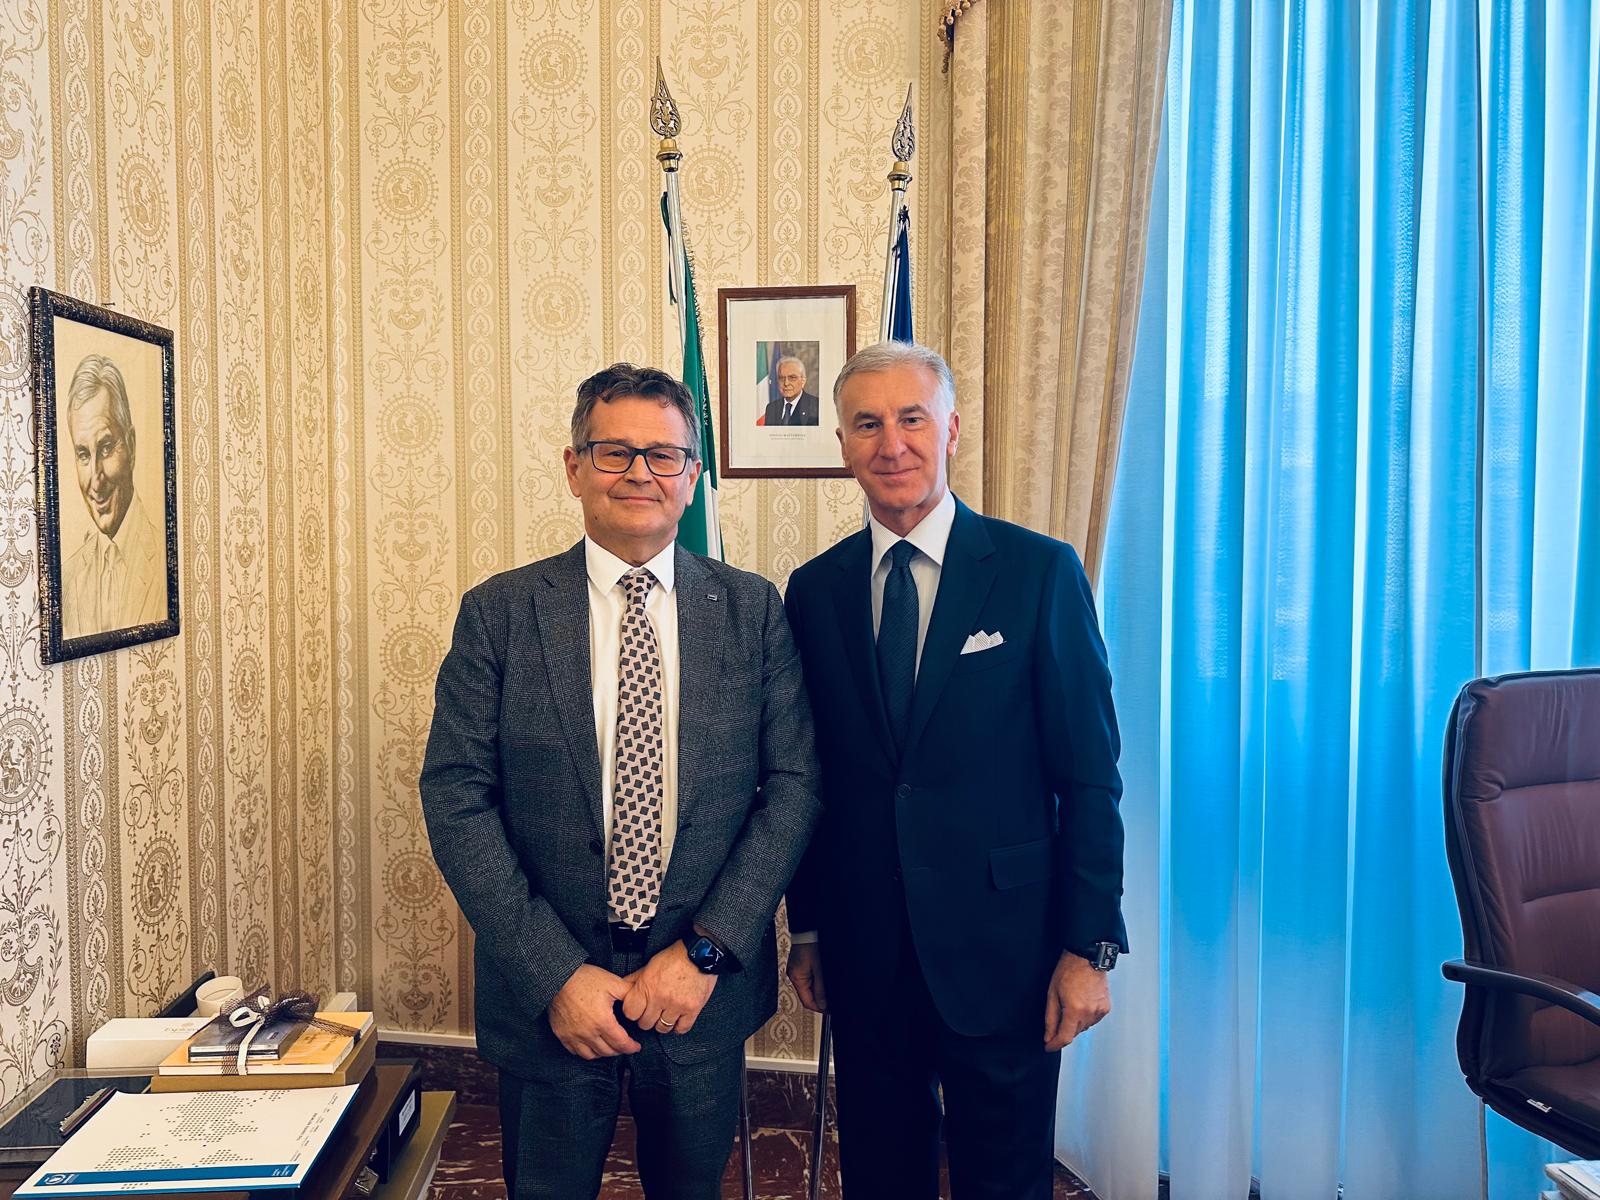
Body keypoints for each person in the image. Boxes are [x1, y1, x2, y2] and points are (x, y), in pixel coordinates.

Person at [420, 363, 819, 1200]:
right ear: (575, 468)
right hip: (551, 999)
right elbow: (456, 796)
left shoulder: (752, 611)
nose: (640, 472)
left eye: (664, 455)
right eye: (614, 452)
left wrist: (706, 952)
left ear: (691, 476)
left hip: (700, 994)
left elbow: (792, 788)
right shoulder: (500, 612)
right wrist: (554, 973)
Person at [782, 342, 1126, 1199]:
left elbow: (1090, 775)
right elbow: (809, 778)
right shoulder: (814, 591)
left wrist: (1089, 947)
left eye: (912, 419)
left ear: (952, 431)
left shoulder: (1038, 571)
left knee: (1003, 1179)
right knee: (879, 1174)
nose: (891, 443)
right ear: (842, 444)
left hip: (1006, 953)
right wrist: (810, 928)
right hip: (866, 950)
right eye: (868, 424)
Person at [61, 353, 165, 640]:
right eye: (83, 454)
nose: (96, 480)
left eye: (106, 448)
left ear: (131, 446)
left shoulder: (164, 560)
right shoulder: (67, 579)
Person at [762, 354, 819, 427]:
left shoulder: (816, 406)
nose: (786, 383)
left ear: (803, 381)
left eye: (792, 378)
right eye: (781, 378)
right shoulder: (771, 408)